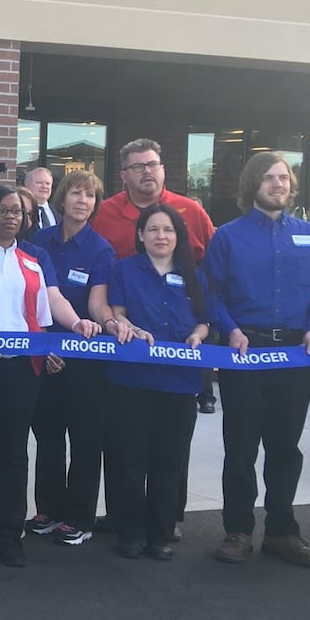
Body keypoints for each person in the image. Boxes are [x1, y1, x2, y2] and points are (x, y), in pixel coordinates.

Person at [0, 185, 100, 568]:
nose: (11, 217)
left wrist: (76, 324)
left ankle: (8, 534)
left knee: (13, 456)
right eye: (4, 210)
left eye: (19, 212)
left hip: (21, 372)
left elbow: (51, 304)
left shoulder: (35, 257)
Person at [202, 152, 310, 568]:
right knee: (240, 447)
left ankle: (282, 532)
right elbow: (210, 291)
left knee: (285, 448)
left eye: (283, 178)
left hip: (296, 355)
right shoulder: (228, 236)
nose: (278, 184)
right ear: (252, 185)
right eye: (268, 178)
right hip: (245, 354)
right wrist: (232, 329)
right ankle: (238, 531)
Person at [104, 204, 209, 559]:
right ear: (140, 235)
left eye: (167, 230)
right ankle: (130, 533)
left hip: (179, 382)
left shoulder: (194, 274)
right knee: (129, 461)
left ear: (177, 236)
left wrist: (197, 334)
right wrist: (126, 326)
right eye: (153, 229)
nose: (160, 236)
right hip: (131, 380)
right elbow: (117, 312)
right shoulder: (123, 270)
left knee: (169, 462)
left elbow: (205, 320)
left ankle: (161, 534)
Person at [28, 170, 117, 546]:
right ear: (62, 199)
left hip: (85, 356)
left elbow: (97, 303)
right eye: (76, 194)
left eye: (90, 196)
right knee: (47, 436)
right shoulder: (38, 241)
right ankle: (49, 508)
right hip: (44, 351)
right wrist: (45, 344)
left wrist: (109, 323)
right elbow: (30, 298)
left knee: (84, 439)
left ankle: (80, 516)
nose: (82, 201)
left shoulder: (101, 250)